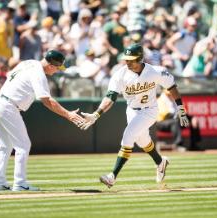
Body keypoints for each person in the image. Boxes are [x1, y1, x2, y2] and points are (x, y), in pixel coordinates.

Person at [78, 44, 189, 188]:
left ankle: (112, 176)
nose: (128, 62)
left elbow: (172, 87)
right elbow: (110, 97)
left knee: (128, 135)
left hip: (149, 110)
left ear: (140, 58)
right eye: (126, 59)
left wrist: (180, 108)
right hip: (131, 110)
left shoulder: (155, 71)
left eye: (131, 60)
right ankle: (160, 162)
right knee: (143, 141)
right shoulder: (120, 75)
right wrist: (96, 114)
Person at [0, 50, 84, 191]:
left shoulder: (29, 62)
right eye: (58, 67)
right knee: (23, 145)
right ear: (52, 65)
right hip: (9, 106)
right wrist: (68, 115)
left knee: (5, 146)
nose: (58, 70)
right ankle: (20, 183)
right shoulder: (39, 73)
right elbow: (46, 101)